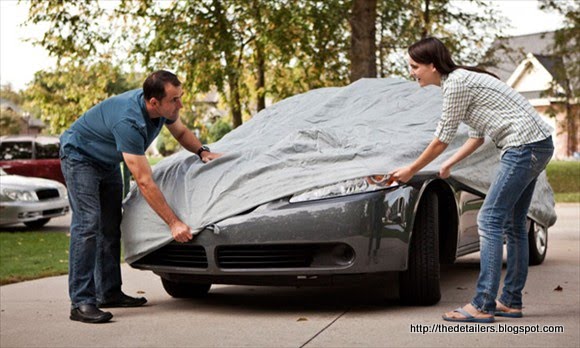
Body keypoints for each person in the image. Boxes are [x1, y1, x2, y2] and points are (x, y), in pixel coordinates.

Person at [388, 37, 554, 323]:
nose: (412, 72)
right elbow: (477, 136)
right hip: (537, 144)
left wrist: (411, 170)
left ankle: (483, 304)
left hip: (523, 147)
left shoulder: (456, 84)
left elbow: (441, 139)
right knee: (514, 225)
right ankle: (511, 301)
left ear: (431, 65)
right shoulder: (463, 82)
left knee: (488, 220)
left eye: (415, 66)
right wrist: (449, 163)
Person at [60, 70, 221, 324]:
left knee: (111, 226)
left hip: (107, 162)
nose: (180, 104)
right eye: (174, 100)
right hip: (80, 157)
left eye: (180, 97)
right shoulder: (129, 121)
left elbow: (180, 134)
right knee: (88, 225)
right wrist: (173, 223)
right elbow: (145, 182)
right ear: (154, 102)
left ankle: (109, 292)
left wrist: (202, 151)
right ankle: (81, 302)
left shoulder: (162, 110)